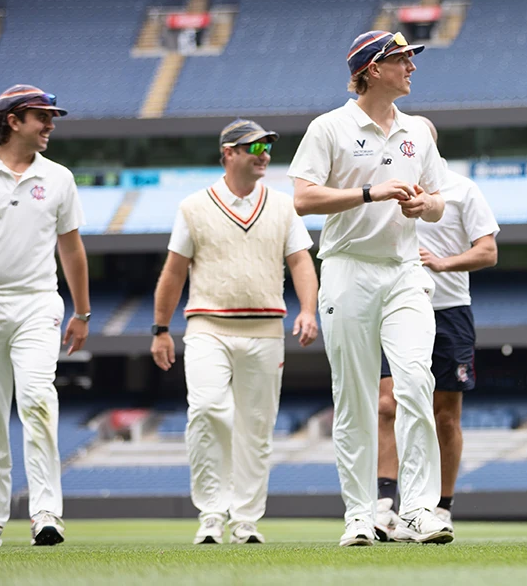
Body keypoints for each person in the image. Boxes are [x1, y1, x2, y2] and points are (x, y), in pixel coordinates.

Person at [288, 30, 451, 546]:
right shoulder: (329, 127)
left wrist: (426, 206)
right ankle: (360, 515)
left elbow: (441, 199)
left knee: (416, 382)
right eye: (403, 60)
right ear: (373, 69)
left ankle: (422, 509)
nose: (412, 68)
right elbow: (303, 199)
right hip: (347, 267)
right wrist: (370, 192)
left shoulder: (417, 131)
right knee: (355, 398)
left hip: (404, 270)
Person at [149, 118, 320, 545]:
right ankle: (211, 513)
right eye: (253, 148)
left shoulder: (281, 205)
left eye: (266, 148)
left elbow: (301, 261)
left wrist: (308, 310)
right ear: (228, 154)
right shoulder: (194, 206)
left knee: (257, 427)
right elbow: (174, 271)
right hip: (208, 326)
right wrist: (160, 328)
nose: (263, 156)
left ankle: (245, 519)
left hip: (265, 329)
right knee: (207, 411)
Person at [0, 85, 90, 547]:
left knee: (38, 400)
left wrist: (83, 311)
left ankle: (47, 514)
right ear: (12, 120)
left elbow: (71, 247)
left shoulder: (60, 178)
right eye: (41, 117)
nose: (50, 126)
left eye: (52, 117)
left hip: (37, 301)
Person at [376, 116, 499, 540]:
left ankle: (441, 506)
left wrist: (444, 263)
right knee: (388, 403)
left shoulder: (463, 190)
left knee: (445, 415)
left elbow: (488, 252)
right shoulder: (387, 186)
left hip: (449, 310)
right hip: (395, 305)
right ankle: (385, 503)